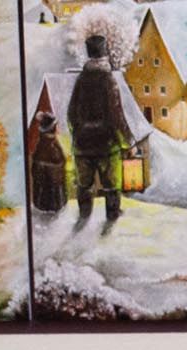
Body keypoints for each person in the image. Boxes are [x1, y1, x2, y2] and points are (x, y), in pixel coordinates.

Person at [66, 33, 129, 224]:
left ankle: (84, 217)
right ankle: (112, 216)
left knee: (84, 185)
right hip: (107, 146)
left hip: (82, 146)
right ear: (105, 57)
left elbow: (70, 114)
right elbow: (116, 117)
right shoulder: (109, 81)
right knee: (111, 184)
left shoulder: (80, 81)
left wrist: (78, 133)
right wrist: (126, 141)